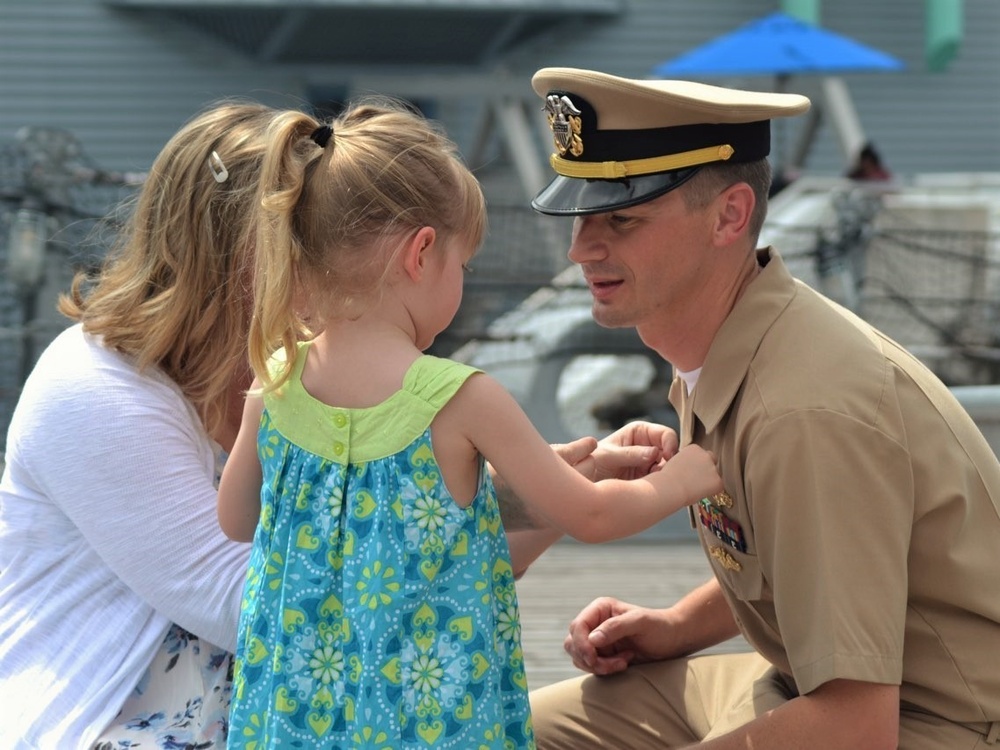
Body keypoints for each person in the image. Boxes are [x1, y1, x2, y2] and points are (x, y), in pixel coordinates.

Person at [0, 97, 679, 750]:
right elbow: (281, 602)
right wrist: (519, 493)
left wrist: (535, 490)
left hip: (295, 708)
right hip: (117, 718)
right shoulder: (95, 392)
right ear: (242, 253)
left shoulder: (286, 374)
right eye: (304, 235)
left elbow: (418, 566)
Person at [215, 98, 724, 749]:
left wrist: (549, 469)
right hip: (432, 725)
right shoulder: (458, 397)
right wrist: (687, 477)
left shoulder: (277, 381)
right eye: (463, 264)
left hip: (292, 721)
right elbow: (593, 516)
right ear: (421, 253)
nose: (461, 279)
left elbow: (236, 521)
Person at [524, 68, 1000, 749]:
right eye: (581, 216)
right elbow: (807, 563)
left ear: (730, 215)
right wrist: (677, 627)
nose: (581, 248)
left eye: (621, 218)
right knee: (509, 731)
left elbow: (857, 728)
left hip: (930, 722)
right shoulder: (729, 342)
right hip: (807, 681)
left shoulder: (803, 411)